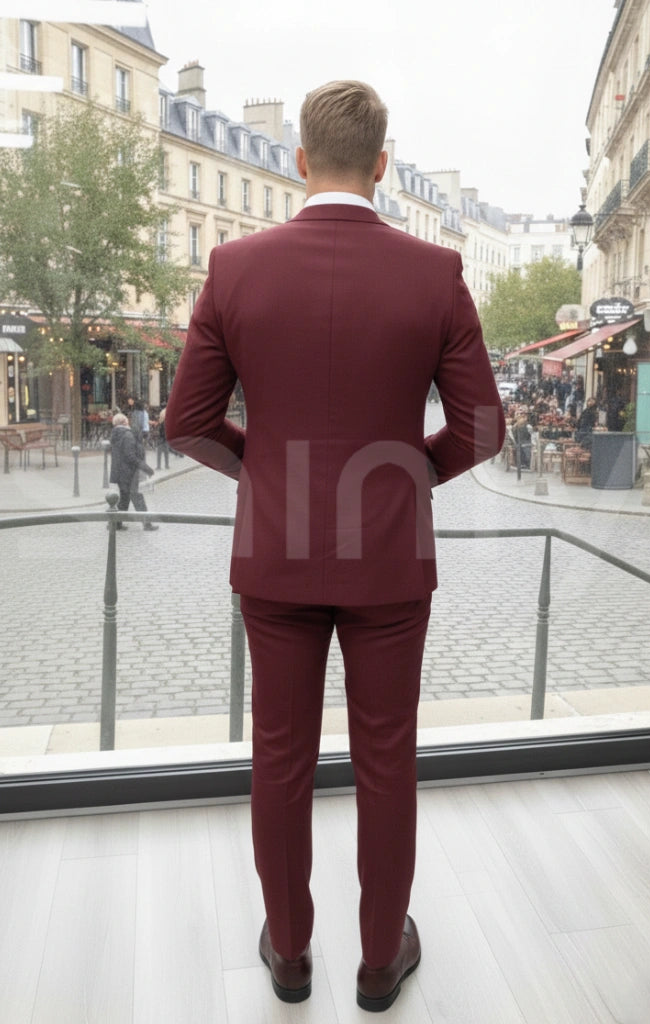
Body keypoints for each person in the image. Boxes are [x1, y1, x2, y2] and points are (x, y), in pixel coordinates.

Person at [165, 80, 504, 1012]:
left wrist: (266, 472)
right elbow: (482, 430)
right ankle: (378, 961)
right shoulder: (434, 273)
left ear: (302, 161)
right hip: (390, 557)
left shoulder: (234, 268)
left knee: (277, 754)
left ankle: (288, 953)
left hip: (275, 554)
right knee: (387, 756)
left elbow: (186, 422)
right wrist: (406, 475)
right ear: (383, 165)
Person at [109, 412, 158, 530]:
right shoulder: (127, 435)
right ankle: (147, 524)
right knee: (137, 497)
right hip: (128, 472)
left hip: (120, 472)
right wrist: (146, 468)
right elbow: (130, 456)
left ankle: (116, 524)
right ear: (124, 422)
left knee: (124, 499)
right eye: (127, 420)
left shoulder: (116, 434)